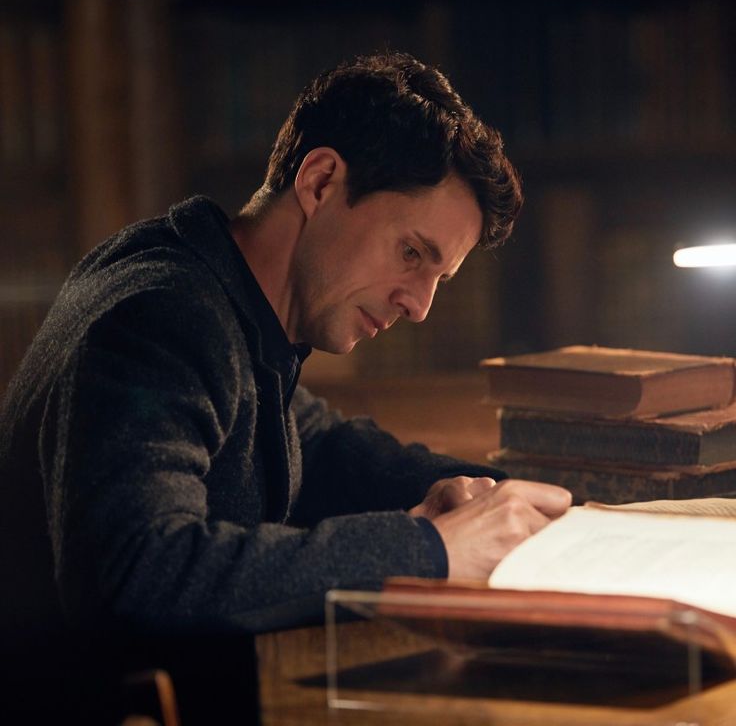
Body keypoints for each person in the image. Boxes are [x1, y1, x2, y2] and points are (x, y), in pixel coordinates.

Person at [0, 52, 570, 653]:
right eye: (411, 253)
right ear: (320, 181)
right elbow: (141, 571)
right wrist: (432, 550)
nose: (420, 306)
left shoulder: (222, 301)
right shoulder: (164, 314)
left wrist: (501, 497)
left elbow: (318, 444)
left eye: (438, 277)